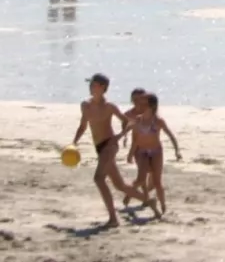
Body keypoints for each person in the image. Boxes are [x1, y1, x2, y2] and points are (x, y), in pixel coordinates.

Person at [72, 73, 133, 228]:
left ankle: (113, 219)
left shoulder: (109, 107)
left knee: (99, 179)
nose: (90, 86)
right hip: (99, 147)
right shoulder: (85, 105)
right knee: (120, 185)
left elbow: (127, 122)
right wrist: (74, 143)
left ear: (102, 87)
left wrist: (119, 136)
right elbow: (83, 126)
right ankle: (149, 201)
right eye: (90, 84)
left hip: (110, 145)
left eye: (93, 84)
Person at [127, 93, 180, 217]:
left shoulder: (158, 121)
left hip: (156, 152)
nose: (140, 105)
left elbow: (171, 136)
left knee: (157, 182)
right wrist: (130, 154)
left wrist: (177, 150)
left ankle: (163, 206)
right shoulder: (138, 120)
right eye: (139, 103)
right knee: (141, 179)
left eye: (144, 103)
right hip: (142, 152)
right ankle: (130, 193)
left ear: (152, 106)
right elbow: (135, 140)